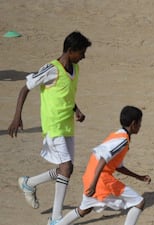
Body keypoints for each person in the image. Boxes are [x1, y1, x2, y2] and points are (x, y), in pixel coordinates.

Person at [8, 31, 92, 224]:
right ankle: (55, 218)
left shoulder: (75, 69)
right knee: (66, 166)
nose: (83, 56)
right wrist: (16, 116)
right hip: (53, 126)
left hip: (67, 125)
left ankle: (29, 183)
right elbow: (25, 88)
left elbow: (66, 95)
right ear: (70, 51)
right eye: (81, 52)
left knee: (66, 169)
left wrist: (76, 110)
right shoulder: (51, 69)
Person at [56, 105, 151, 225]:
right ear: (133, 124)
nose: (140, 126)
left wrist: (138, 176)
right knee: (139, 202)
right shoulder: (122, 140)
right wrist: (93, 185)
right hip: (101, 180)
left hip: (91, 175)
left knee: (84, 209)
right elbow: (103, 159)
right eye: (140, 123)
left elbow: (117, 166)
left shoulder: (118, 135)